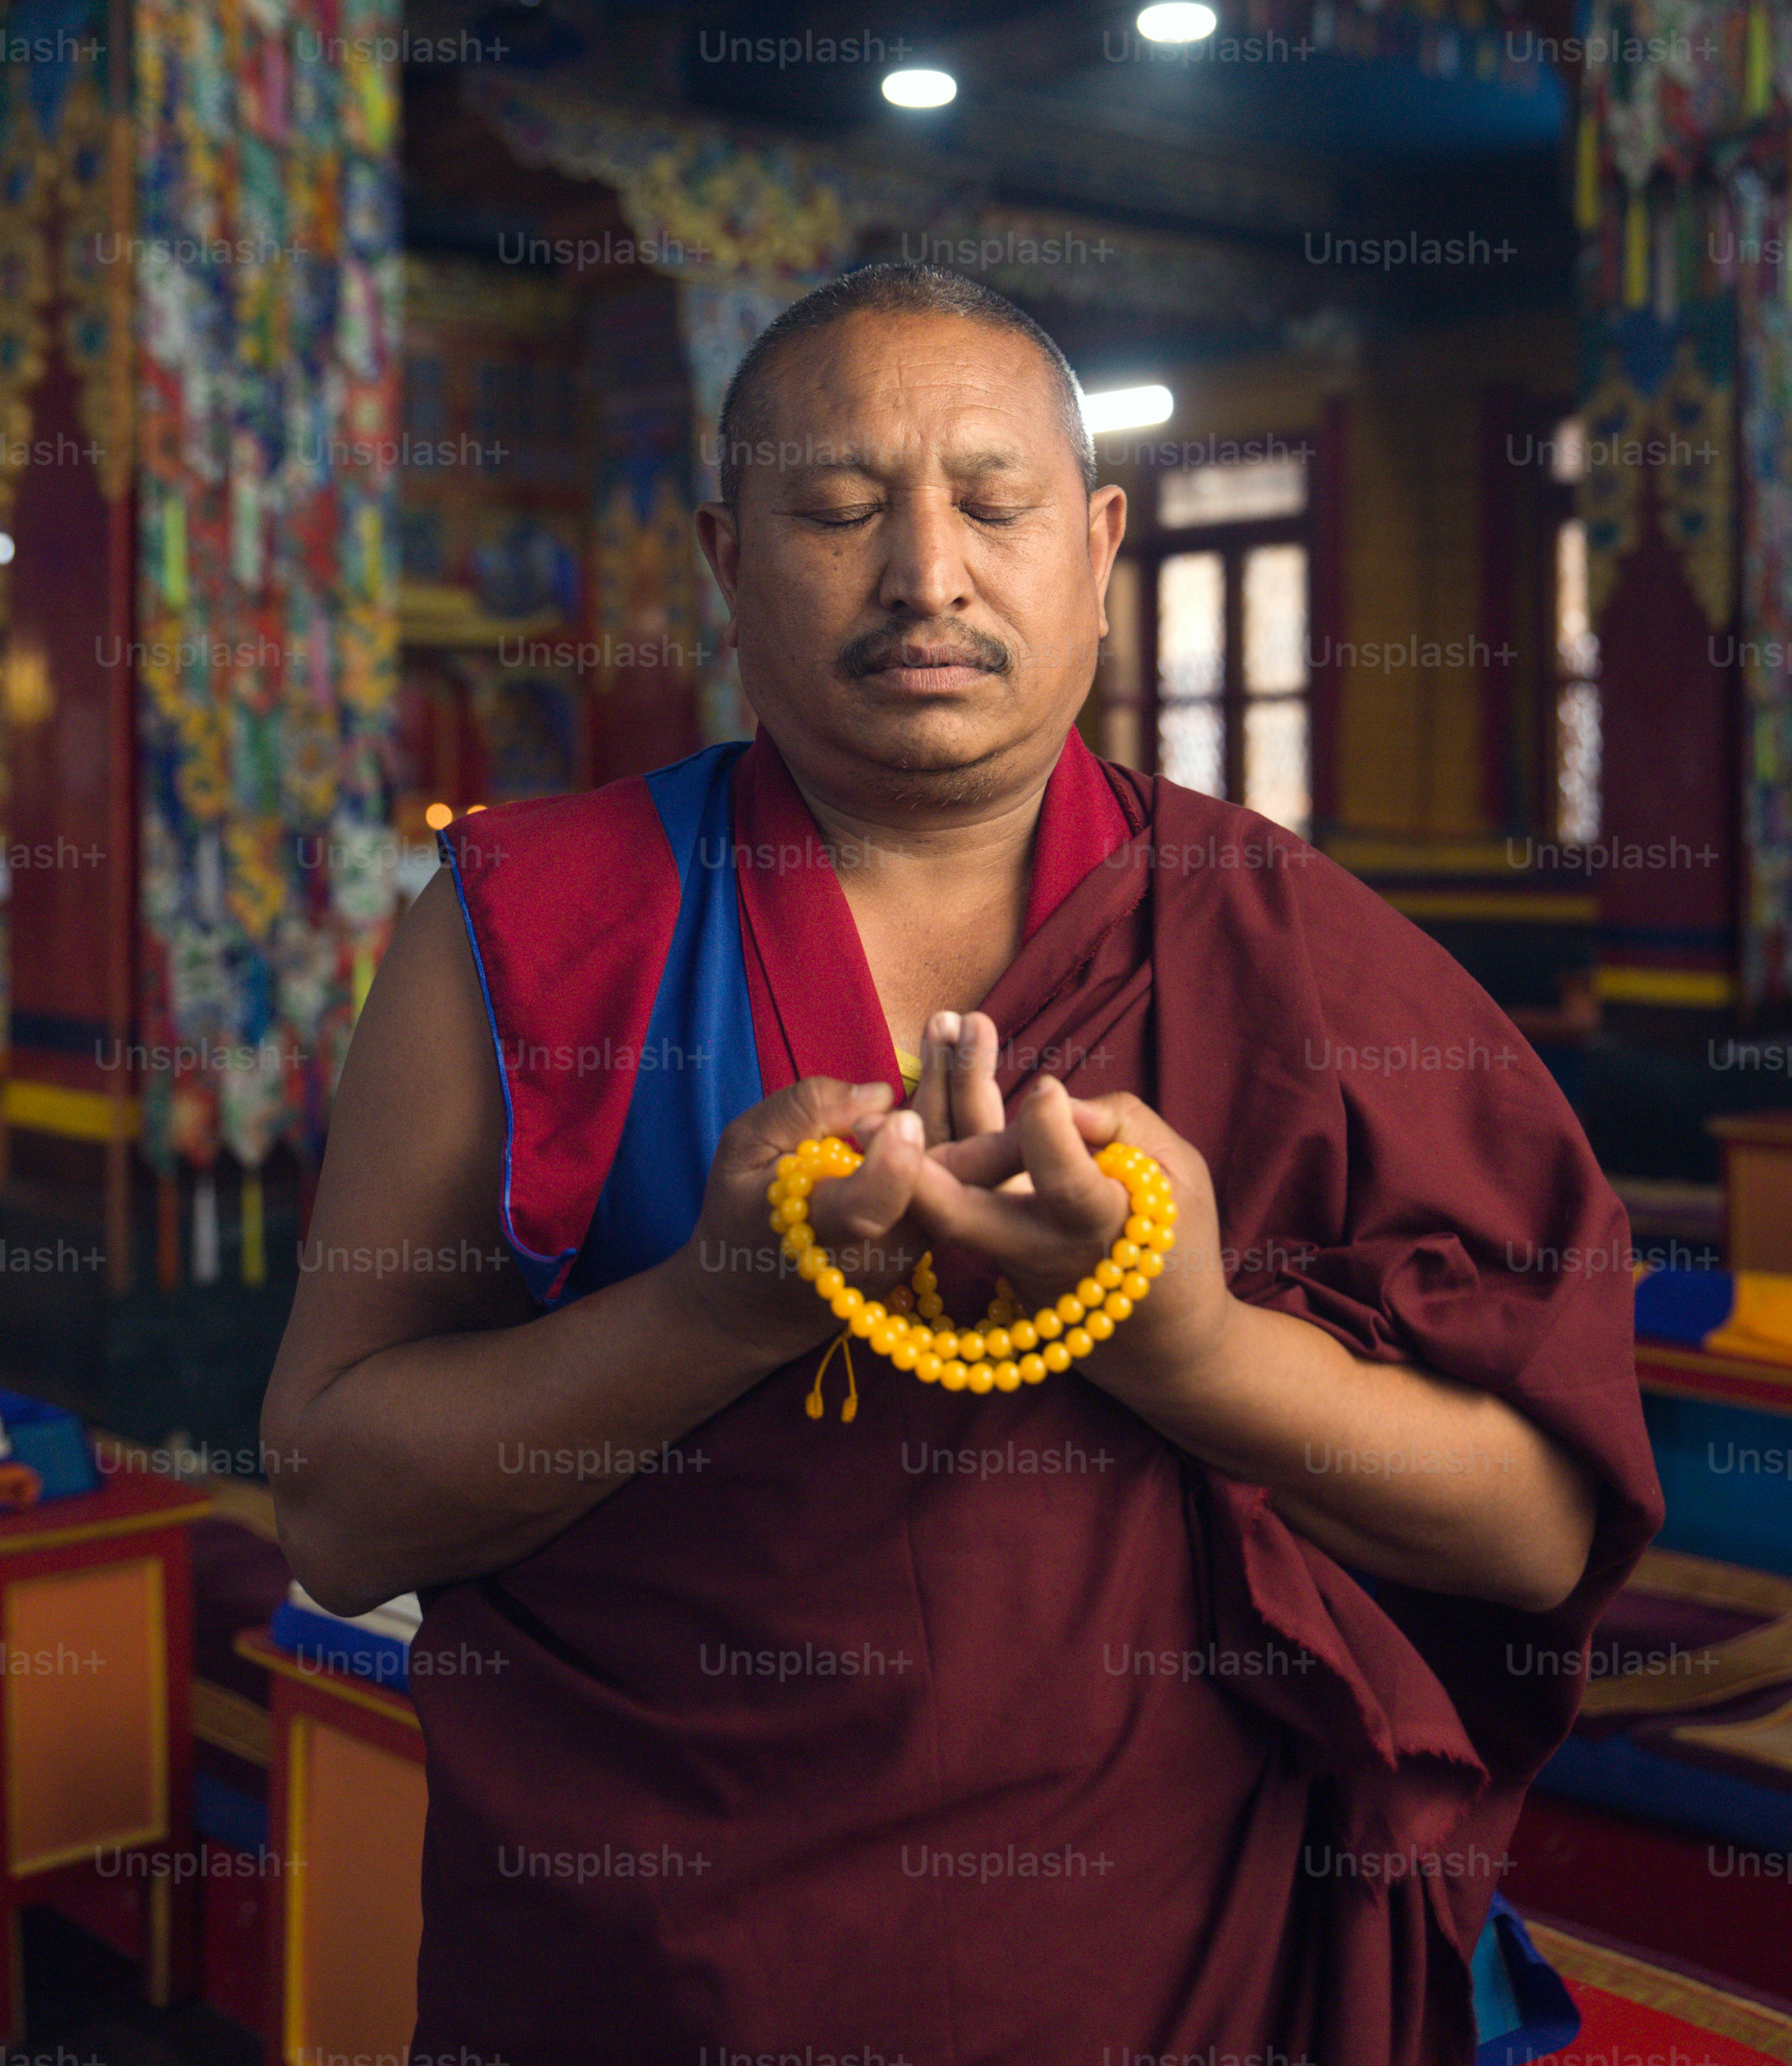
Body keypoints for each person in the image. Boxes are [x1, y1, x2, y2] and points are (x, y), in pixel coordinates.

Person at [262, 262, 1662, 2066]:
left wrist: (1192, 1351)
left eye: (993, 505)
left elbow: (1542, 1537)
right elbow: (339, 1509)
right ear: (725, 559)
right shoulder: (533, 928)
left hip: (1166, 1966)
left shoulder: (1279, 936)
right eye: (839, 509)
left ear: (1098, 548)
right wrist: (709, 1316)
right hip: (651, 1966)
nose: (927, 573)